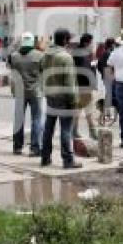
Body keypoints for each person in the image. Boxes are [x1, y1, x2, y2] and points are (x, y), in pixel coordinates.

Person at [39, 28, 82, 169]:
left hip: (50, 96)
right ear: (64, 40)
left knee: (48, 128)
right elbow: (69, 83)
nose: (69, 42)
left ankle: (45, 157)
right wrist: (74, 101)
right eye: (69, 39)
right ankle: (68, 160)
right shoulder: (65, 57)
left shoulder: (45, 55)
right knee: (66, 130)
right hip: (64, 98)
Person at [9, 32, 44, 156]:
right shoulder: (40, 56)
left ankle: (17, 146)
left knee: (19, 119)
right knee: (36, 119)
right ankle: (35, 148)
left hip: (19, 92)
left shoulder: (13, 56)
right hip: (35, 92)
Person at [72, 33, 98, 140]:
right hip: (84, 86)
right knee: (89, 110)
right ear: (87, 42)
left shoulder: (78, 52)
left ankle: (74, 131)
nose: (92, 45)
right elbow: (84, 71)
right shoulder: (82, 54)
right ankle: (92, 132)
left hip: (78, 85)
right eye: (91, 42)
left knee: (77, 111)